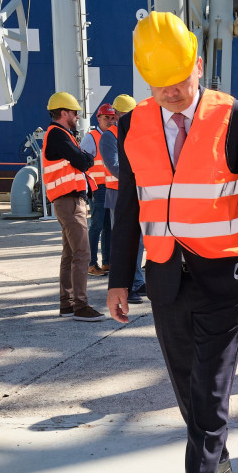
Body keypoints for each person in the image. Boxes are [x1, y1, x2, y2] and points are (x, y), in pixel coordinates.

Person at [108, 12, 238, 473]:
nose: (171, 92)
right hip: (165, 277)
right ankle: (216, 456)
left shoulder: (236, 117)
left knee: (209, 389)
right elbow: (130, 206)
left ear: (198, 64)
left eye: (179, 79)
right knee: (184, 382)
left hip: (224, 277)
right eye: (159, 85)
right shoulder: (132, 124)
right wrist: (118, 280)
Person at [42, 92, 105, 322]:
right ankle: (80, 305)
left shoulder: (61, 134)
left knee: (70, 254)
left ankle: (67, 304)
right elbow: (83, 160)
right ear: (63, 113)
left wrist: (82, 157)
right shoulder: (58, 134)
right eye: (74, 112)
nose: (77, 116)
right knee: (82, 253)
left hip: (67, 200)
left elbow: (82, 158)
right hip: (69, 201)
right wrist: (83, 157)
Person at [100, 94, 147, 304]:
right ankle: (126, 286)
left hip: (137, 192)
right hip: (118, 195)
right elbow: (114, 167)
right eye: (129, 115)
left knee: (139, 241)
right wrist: (142, 176)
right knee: (124, 242)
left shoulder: (137, 134)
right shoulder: (109, 136)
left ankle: (137, 281)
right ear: (118, 115)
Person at [82, 103, 117, 276]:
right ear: (98, 118)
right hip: (97, 188)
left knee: (108, 226)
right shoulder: (91, 138)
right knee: (96, 225)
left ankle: (107, 262)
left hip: (109, 187)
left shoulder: (112, 136)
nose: (110, 121)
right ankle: (91, 263)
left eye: (112, 118)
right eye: (106, 118)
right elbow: (82, 164)